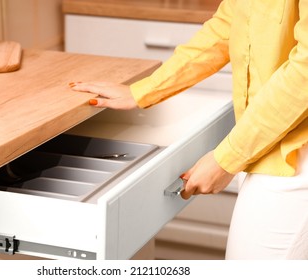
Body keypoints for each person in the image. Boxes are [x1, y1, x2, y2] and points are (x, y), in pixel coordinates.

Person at [69, 0, 308, 259]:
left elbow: (304, 73)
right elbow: (230, 21)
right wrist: (145, 90)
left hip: (296, 154)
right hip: (269, 141)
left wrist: (226, 159)